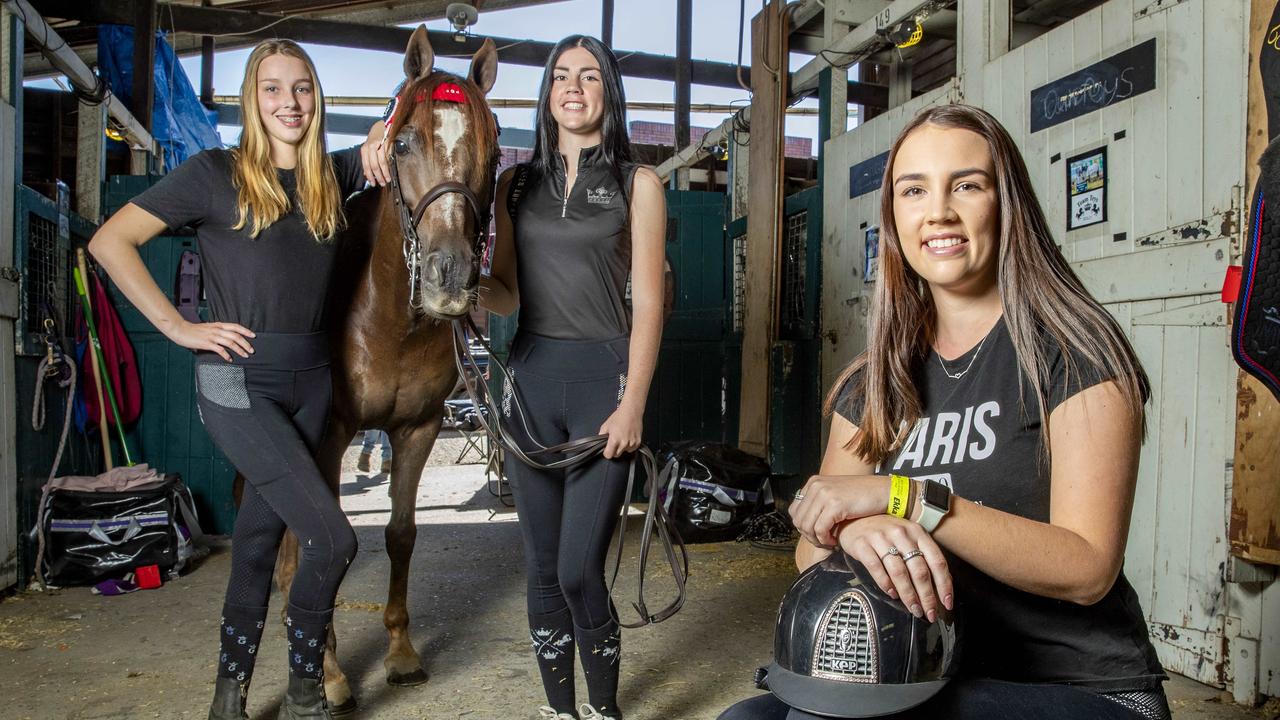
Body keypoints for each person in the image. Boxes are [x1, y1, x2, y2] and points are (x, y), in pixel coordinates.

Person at [719, 104, 1169, 720]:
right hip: (924, 674)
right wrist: (853, 528)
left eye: (966, 185)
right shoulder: (876, 377)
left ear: (1005, 203)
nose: (939, 212)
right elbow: (811, 540)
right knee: (744, 719)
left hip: (1074, 685)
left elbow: (1088, 566)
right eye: (914, 190)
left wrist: (903, 499)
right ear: (894, 215)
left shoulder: (1075, 351)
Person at [89, 39, 385, 720]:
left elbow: (393, 139)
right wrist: (178, 327)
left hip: (310, 382)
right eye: (274, 89)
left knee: (256, 540)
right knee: (333, 539)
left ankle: (229, 699)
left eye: (303, 88)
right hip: (232, 381)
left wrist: (379, 129)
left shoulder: (329, 179)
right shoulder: (212, 174)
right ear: (253, 99)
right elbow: (110, 242)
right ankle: (307, 692)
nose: (290, 102)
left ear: (318, 99)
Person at [481, 34, 667, 720]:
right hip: (530, 380)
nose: (574, 87)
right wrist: (463, 293)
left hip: (603, 383)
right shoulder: (516, 184)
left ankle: (605, 710)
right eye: (562, 76)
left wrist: (633, 403)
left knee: (577, 568)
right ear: (548, 92)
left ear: (606, 92)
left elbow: (648, 302)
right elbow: (505, 288)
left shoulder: (636, 183)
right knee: (540, 569)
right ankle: (561, 712)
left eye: (589, 76)